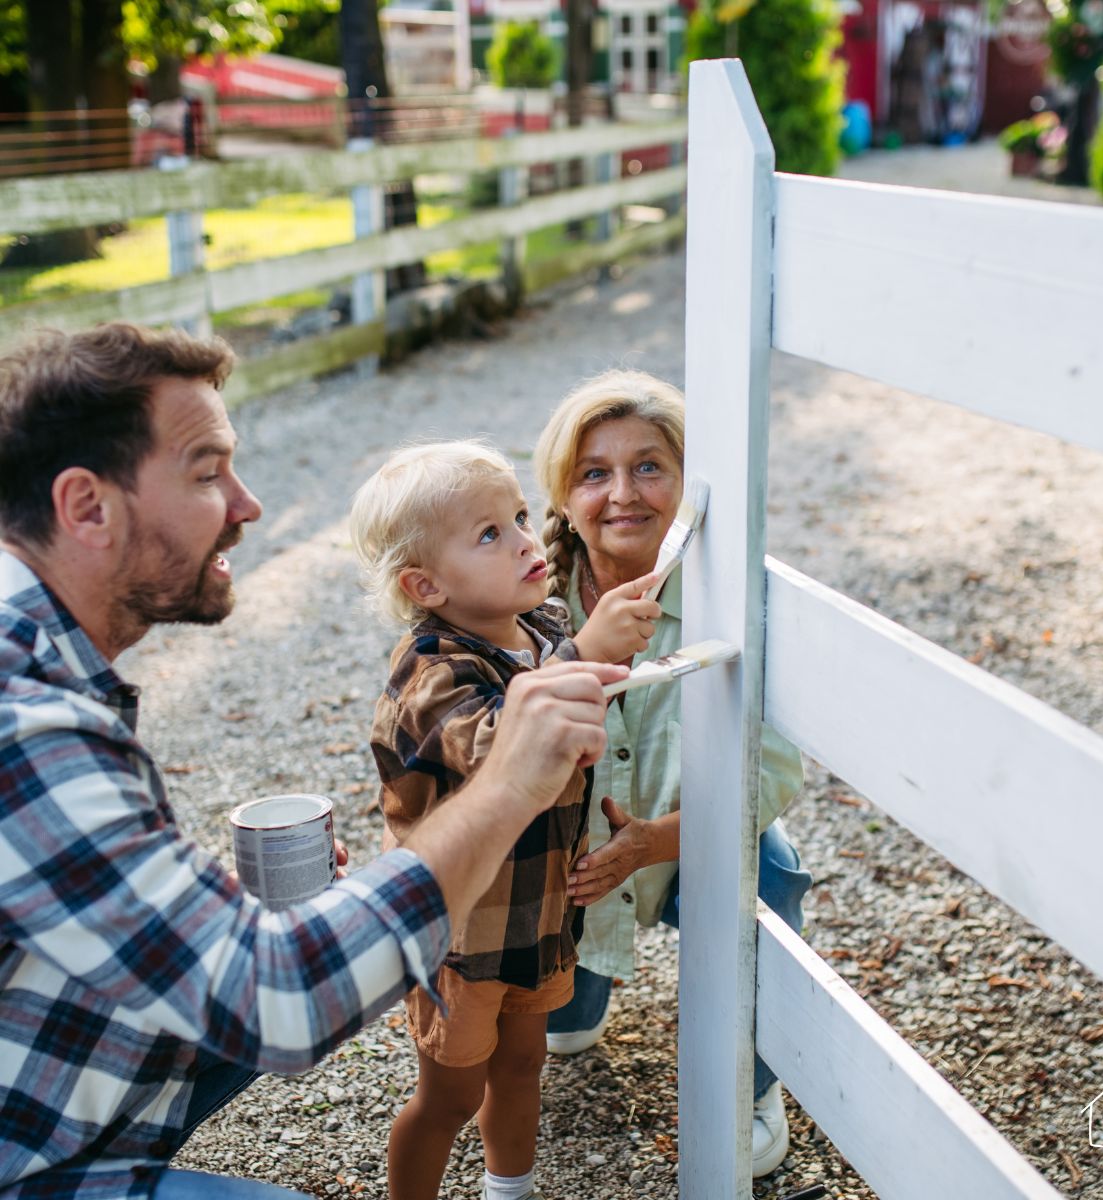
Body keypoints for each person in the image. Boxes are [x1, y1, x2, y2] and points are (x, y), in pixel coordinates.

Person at [0, 324, 625, 1200]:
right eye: (208, 471)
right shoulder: (27, 729)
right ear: (87, 507)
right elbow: (283, 1001)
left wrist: (227, 915)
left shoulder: (38, 659)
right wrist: (514, 779)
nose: (250, 505)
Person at [349, 442, 655, 1200]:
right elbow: (499, 748)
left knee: (523, 1065)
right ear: (426, 583)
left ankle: (507, 1191)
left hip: (539, 915)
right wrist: (586, 653)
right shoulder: (432, 671)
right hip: (460, 934)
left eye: (518, 516)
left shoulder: (543, 628)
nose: (524, 539)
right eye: (489, 534)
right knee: (449, 1096)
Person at [532, 369, 814, 1179]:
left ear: (688, 483)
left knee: (772, 872)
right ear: (563, 492)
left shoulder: (734, 595)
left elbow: (775, 770)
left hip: (688, 834)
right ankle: (570, 990)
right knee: (565, 1026)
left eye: (649, 467)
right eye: (595, 473)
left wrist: (655, 841)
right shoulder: (525, 600)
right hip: (572, 871)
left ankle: (751, 1083)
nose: (623, 493)